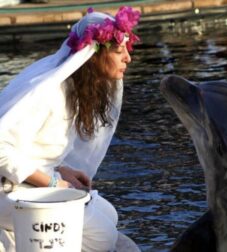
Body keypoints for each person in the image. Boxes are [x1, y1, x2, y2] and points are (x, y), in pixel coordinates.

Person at [0, 6, 140, 252]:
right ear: (92, 55)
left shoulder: (74, 92)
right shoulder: (50, 94)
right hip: (8, 192)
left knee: (110, 215)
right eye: (119, 51)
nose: (127, 58)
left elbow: (32, 149)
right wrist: (53, 182)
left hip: (28, 187)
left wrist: (62, 170)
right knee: (103, 236)